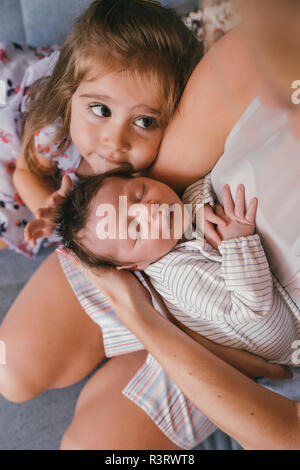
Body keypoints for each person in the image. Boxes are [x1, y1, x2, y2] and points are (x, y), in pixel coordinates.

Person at [0, 0, 295, 450]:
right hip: (125, 251)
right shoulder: (278, 45)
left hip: (232, 331)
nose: (115, 142)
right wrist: (111, 246)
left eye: (143, 121)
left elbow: (285, 430)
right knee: (9, 373)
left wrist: (145, 318)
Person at [47, 169, 300, 367]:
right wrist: (238, 243)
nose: (149, 208)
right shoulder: (181, 277)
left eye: (140, 191)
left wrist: (198, 207)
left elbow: (198, 185)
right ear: (136, 265)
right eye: (136, 229)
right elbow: (255, 310)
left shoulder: (174, 228)